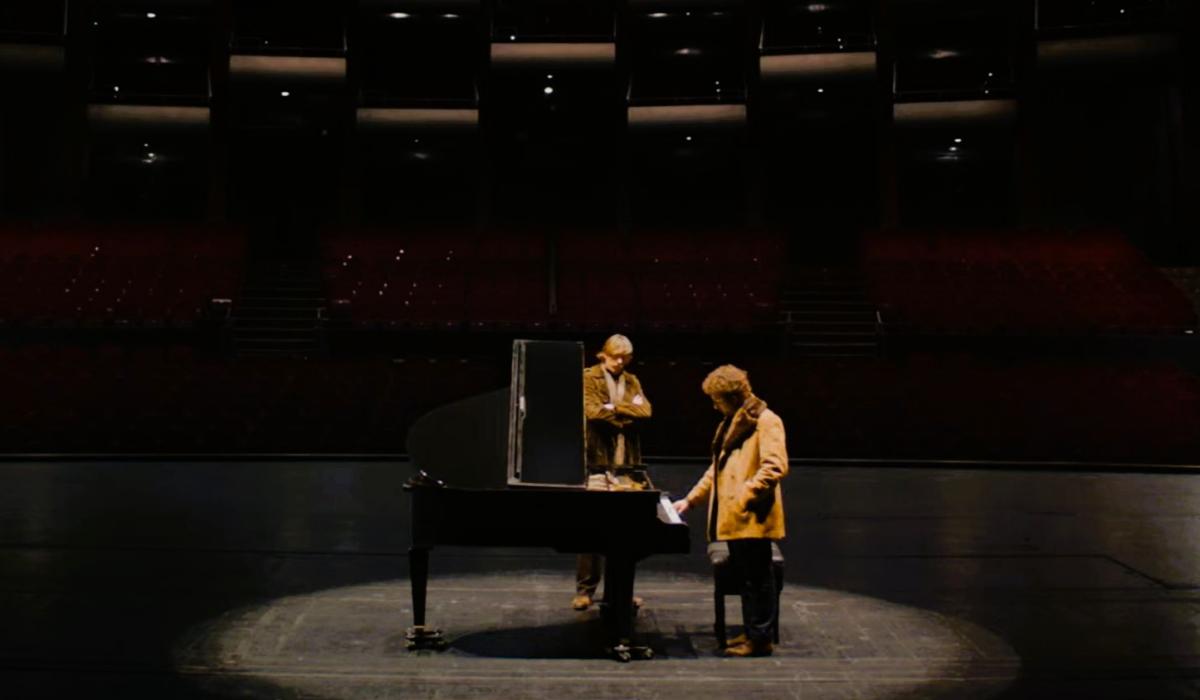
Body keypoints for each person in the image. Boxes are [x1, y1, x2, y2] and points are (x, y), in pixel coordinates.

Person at [673, 365, 788, 657]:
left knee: (759, 577)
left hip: (752, 515)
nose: (714, 405)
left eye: (717, 399)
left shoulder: (766, 421)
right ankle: (752, 633)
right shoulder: (732, 421)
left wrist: (745, 494)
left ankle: (760, 639)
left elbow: (775, 466)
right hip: (736, 517)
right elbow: (717, 469)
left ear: (733, 397)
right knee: (746, 576)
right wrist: (691, 500)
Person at [573, 334, 653, 611]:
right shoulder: (588, 377)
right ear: (603, 355)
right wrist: (624, 415)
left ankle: (620, 590)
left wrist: (615, 407)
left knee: (623, 530)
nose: (620, 362)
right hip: (596, 458)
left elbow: (646, 411)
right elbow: (593, 412)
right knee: (590, 528)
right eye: (615, 356)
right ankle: (585, 589)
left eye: (625, 357)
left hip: (625, 459)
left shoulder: (632, 381)